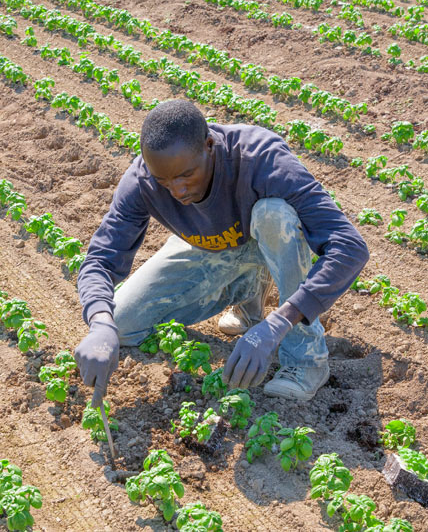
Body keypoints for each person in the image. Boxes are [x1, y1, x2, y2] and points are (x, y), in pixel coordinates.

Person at [75, 99, 369, 409]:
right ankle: (247, 294)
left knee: (275, 215)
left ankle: (306, 358)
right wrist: (100, 322)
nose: (177, 191)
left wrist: (278, 324)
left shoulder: (261, 158)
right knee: (123, 323)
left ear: (209, 145)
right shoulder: (142, 181)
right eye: (164, 180)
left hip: (266, 239)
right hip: (207, 244)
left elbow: (350, 246)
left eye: (186, 175)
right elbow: (99, 260)